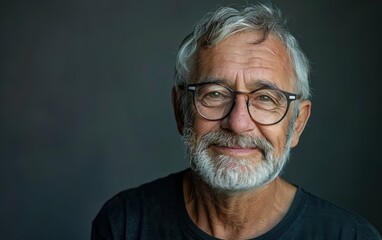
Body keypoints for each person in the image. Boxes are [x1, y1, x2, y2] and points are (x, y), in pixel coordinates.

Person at [91, 4, 381, 240]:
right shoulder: (124, 225)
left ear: (298, 123)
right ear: (181, 111)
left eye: (266, 98)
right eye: (215, 94)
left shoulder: (350, 237)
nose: (238, 122)